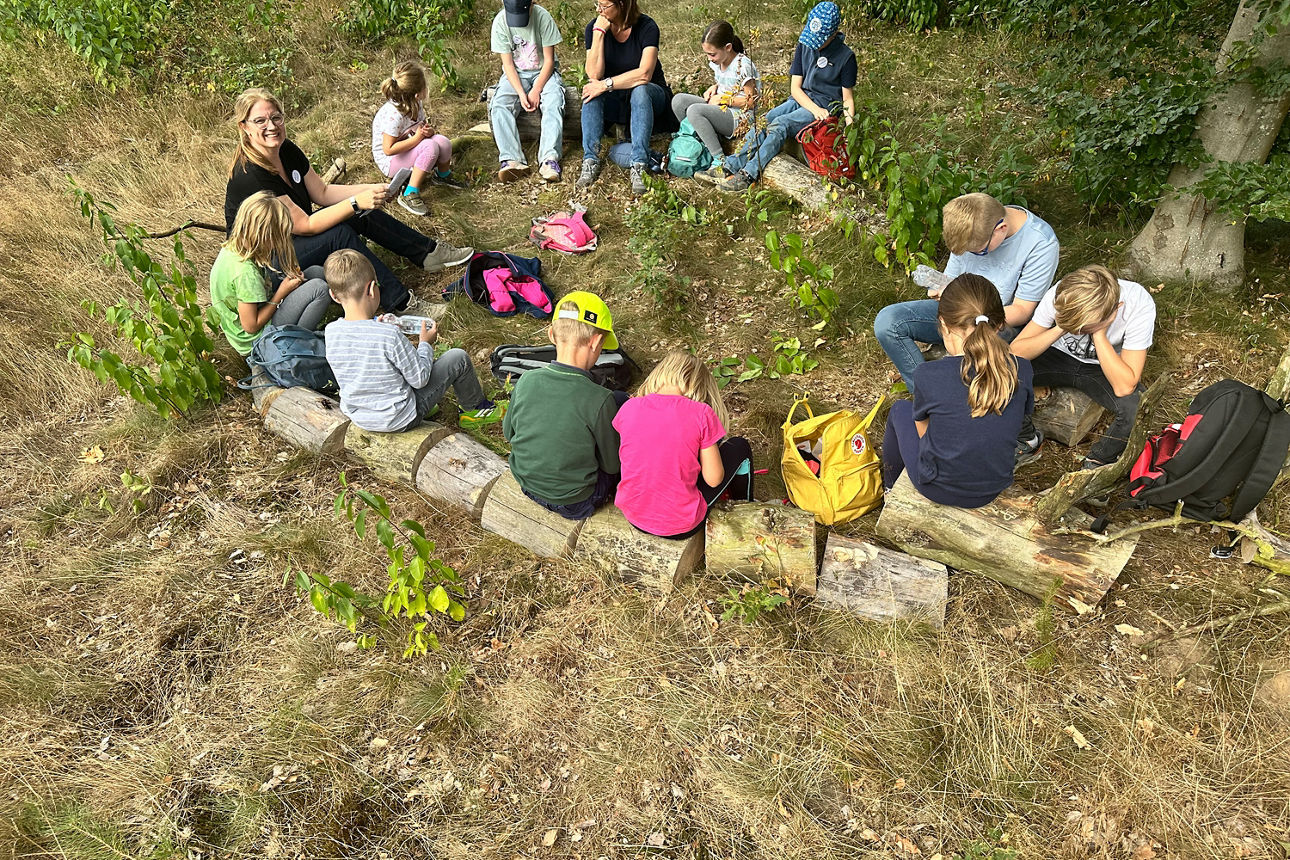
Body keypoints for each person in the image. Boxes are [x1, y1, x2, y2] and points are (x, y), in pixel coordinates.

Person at [224, 88, 472, 316]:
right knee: (339, 233)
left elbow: (321, 192)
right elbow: (306, 225)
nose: (271, 126)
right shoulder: (251, 176)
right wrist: (356, 202)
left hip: (294, 243)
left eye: (276, 117)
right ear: (244, 127)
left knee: (357, 213)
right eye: (260, 121)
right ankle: (401, 303)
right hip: (268, 263)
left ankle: (428, 253)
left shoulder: (285, 149)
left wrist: (373, 190)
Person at [873, 191, 1059, 396]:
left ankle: (961, 397)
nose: (972, 256)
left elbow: (1022, 310)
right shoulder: (970, 224)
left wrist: (972, 322)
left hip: (1001, 324)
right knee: (888, 323)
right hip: (960, 312)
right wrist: (945, 291)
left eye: (977, 252)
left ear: (1001, 229)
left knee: (973, 347)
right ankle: (927, 396)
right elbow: (953, 278)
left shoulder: (1040, 243)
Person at [881, 273, 1034, 508]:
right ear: (1000, 325)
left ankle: (890, 488)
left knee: (900, 410)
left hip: (938, 487)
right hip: (992, 487)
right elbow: (1018, 419)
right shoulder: (1021, 369)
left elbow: (924, 433)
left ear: (943, 323)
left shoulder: (928, 374)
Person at [322, 249, 504, 433]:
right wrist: (425, 343)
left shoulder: (330, 332)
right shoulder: (389, 336)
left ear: (334, 295)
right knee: (459, 358)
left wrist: (376, 324)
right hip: (399, 418)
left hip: (361, 417)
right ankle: (476, 410)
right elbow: (420, 378)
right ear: (371, 289)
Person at [1010, 264, 1155, 469]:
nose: (1077, 332)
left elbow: (1125, 386)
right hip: (1056, 355)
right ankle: (1027, 441)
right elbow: (1015, 352)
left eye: (1082, 327)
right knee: (1002, 370)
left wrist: (1099, 333)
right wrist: (1062, 327)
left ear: (1114, 309)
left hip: (1101, 367)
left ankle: (1098, 462)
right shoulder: (1066, 293)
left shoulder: (1138, 303)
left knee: (1137, 408)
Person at [503, 291, 624, 519]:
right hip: (575, 502)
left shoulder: (527, 380)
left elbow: (508, 433)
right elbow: (612, 466)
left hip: (526, 483)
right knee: (620, 400)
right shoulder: (601, 398)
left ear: (551, 334)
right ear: (596, 342)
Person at [710, 1, 854, 192]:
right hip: (800, 99)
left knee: (781, 124)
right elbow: (795, 88)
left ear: (833, 33)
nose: (814, 44)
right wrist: (812, 108)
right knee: (764, 121)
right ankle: (733, 164)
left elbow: (848, 99)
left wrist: (850, 133)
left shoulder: (846, 57)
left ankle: (749, 174)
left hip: (824, 108)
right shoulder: (805, 44)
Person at [614, 350, 753, 538]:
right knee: (739, 446)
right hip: (680, 524)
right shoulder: (701, 413)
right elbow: (714, 479)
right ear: (699, 385)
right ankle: (745, 506)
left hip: (633, 514)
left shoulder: (630, 407)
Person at [209, 191, 333, 359]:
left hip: (260, 313)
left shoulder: (234, 247)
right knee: (320, 289)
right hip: (256, 340)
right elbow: (251, 326)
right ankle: (295, 347)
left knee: (316, 272)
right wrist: (282, 292)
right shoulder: (245, 273)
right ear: (264, 236)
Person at [577, 0, 677, 195]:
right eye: (597, 4)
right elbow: (594, 75)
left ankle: (639, 163)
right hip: (617, 97)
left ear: (622, 4)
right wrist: (598, 34)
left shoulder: (647, 27)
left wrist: (606, 84)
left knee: (639, 89)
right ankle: (590, 159)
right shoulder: (594, 27)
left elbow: (644, 74)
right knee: (591, 90)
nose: (599, 10)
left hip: (650, 95)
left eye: (605, 6)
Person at [372, 61, 466, 217]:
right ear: (417, 93)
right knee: (430, 147)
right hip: (390, 161)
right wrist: (418, 139)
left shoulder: (416, 103)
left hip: (410, 146)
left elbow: (419, 126)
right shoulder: (394, 115)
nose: (426, 89)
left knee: (443, 142)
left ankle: (442, 175)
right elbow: (388, 150)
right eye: (425, 86)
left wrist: (427, 131)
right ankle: (409, 193)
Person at [490, 0, 566, 183]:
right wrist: (522, 94)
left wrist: (537, 89)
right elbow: (507, 64)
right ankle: (512, 159)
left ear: (532, 4)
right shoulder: (500, 22)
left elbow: (548, 61)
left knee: (554, 101)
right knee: (499, 104)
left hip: (544, 72)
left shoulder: (543, 17)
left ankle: (549, 159)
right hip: (516, 75)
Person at [671, 21, 759, 174]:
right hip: (721, 107)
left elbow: (752, 101)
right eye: (706, 54)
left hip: (739, 116)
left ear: (728, 48)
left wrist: (725, 99)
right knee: (679, 101)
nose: (709, 58)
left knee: (694, 111)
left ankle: (719, 159)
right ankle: (695, 140)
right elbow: (724, 81)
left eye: (712, 54)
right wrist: (715, 87)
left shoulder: (743, 66)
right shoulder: (718, 61)